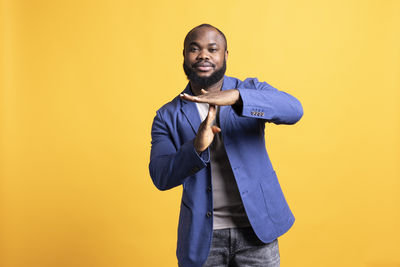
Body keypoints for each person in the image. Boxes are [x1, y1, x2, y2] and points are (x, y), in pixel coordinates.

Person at [149, 24, 303, 267]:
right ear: (185, 56)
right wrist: (196, 148)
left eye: (213, 48)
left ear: (225, 55)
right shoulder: (167, 116)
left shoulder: (250, 90)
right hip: (202, 239)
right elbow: (160, 176)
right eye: (194, 49)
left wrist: (238, 97)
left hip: (257, 231)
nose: (203, 55)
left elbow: (294, 110)